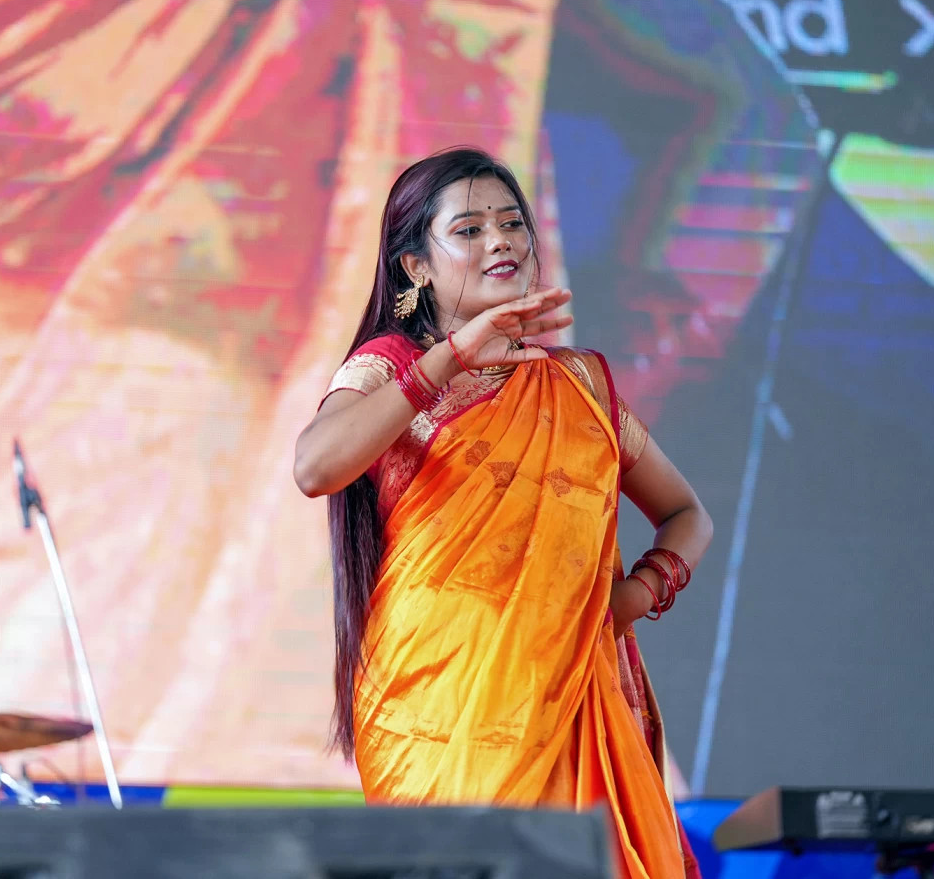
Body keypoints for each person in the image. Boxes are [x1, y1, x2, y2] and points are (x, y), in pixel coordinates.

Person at [293, 148, 713, 879]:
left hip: (573, 696)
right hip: (438, 712)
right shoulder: (392, 367)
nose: (501, 241)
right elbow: (315, 468)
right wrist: (449, 359)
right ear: (416, 266)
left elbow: (687, 514)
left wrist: (625, 602)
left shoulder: (577, 384)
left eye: (512, 223)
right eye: (470, 229)